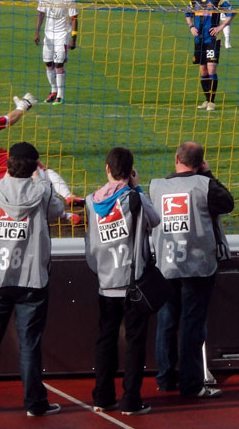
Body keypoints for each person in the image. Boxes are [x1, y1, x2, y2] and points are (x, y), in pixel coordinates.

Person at [0, 141, 65, 417]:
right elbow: (57, 211)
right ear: (34, 168)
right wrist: (40, 179)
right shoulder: (43, 193)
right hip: (31, 280)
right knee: (29, 344)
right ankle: (34, 403)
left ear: (8, 165)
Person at [150, 141, 233, 398]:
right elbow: (227, 203)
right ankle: (191, 384)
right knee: (192, 325)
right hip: (198, 266)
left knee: (166, 322)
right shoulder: (205, 185)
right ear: (201, 163)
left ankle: (165, 378)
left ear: (176, 158)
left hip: (166, 264)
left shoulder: (156, 186)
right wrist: (207, 174)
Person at [85, 147, 160, 416]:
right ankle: (131, 399)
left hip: (106, 281)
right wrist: (138, 189)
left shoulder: (90, 200)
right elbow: (156, 220)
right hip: (132, 283)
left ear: (107, 168)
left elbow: (91, 240)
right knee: (135, 343)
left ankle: (103, 396)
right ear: (131, 172)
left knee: (105, 340)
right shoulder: (133, 199)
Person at [185, 0, 234, 112]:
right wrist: (191, 27)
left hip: (212, 40)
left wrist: (220, 27)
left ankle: (212, 102)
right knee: (203, 70)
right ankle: (206, 100)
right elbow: (188, 14)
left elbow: (231, 12)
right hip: (199, 41)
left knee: (212, 69)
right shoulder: (194, 0)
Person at [34, 0, 78, 105]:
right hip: (48, 35)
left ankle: (61, 96)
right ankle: (53, 92)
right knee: (48, 63)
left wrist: (73, 38)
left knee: (59, 65)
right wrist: (37, 31)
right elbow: (41, 13)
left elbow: (74, 18)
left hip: (62, 35)